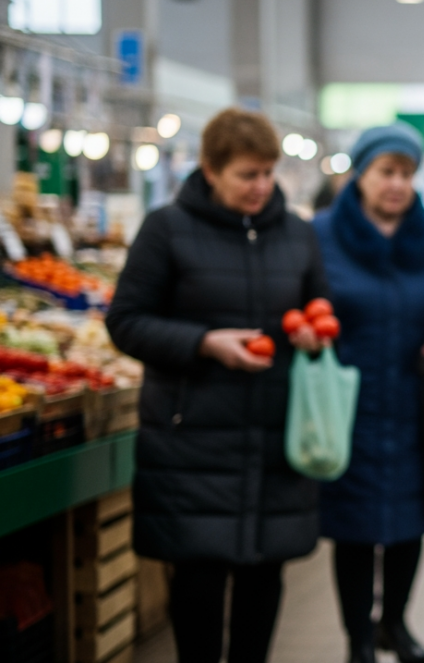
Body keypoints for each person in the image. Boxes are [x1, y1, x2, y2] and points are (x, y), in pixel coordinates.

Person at [106, 108, 327, 663]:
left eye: (267, 173)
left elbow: (319, 309)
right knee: (198, 580)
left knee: (264, 575)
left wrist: (313, 335)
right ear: (210, 169)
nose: (261, 186)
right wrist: (205, 342)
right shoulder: (166, 230)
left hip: (275, 435)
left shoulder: (297, 234)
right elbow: (126, 321)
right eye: (246, 175)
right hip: (192, 438)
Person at [312, 123, 424, 663]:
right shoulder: (321, 236)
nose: (398, 183)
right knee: (353, 528)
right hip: (347, 404)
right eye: (386, 172)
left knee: (409, 523)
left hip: (413, 402)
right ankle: (358, 638)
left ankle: (395, 624)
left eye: (406, 173)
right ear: (361, 173)